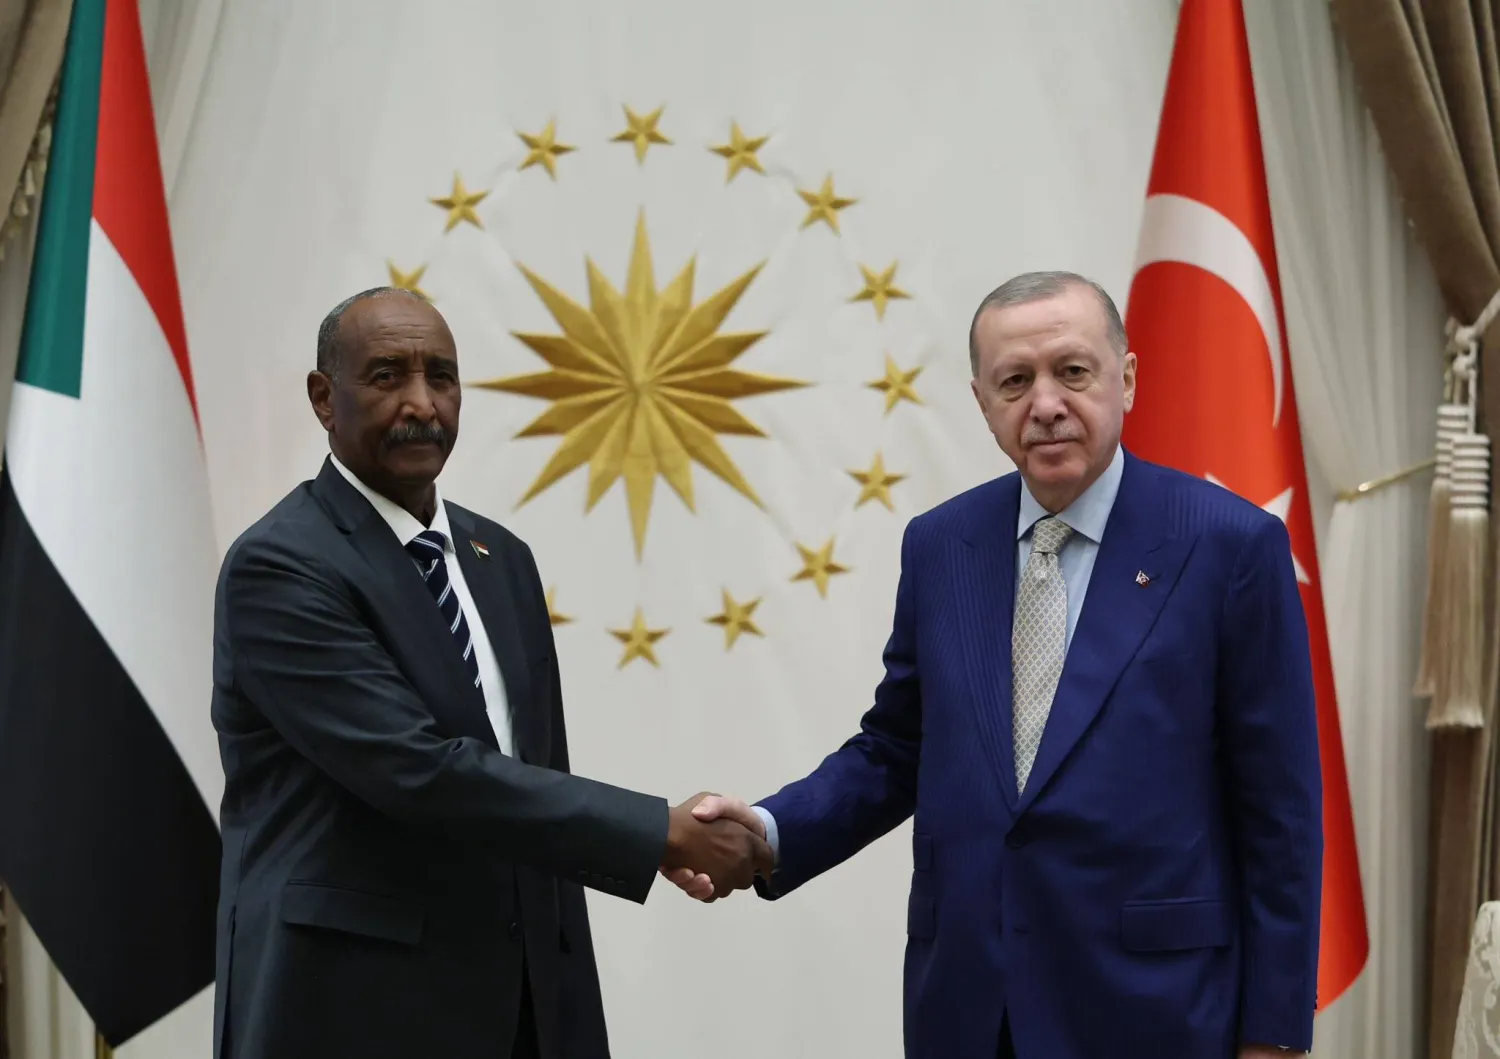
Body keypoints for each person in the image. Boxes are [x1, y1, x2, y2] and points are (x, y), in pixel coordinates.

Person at [668, 271, 1322, 1059]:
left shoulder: (1229, 545)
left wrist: (1273, 1038)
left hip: (1158, 1014)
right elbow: (897, 749)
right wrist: (770, 833)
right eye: (1016, 380)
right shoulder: (943, 545)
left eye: (1072, 372)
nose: (1045, 403)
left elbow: (1279, 813)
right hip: (973, 1011)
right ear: (982, 402)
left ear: (1129, 379)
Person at [210, 286, 771, 1059]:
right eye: (385, 376)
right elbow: (421, 771)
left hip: (521, 1006)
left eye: (441, 376)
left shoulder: (497, 557)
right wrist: (658, 831)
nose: (421, 403)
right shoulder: (282, 565)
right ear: (322, 397)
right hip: (352, 1008)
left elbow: (535, 776)